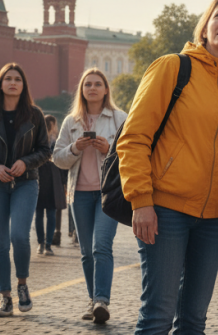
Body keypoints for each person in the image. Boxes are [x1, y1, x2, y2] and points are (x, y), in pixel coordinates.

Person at [118, 0, 218, 334]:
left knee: (194, 320)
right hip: (165, 210)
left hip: (213, 218)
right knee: (157, 316)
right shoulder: (172, 67)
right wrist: (141, 201)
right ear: (205, 29)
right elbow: (134, 138)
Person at [52, 68, 127, 323]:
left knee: (101, 246)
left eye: (98, 84)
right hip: (80, 194)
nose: (92, 88)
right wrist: (75, 148)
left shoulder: (119, 118)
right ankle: (93, 299)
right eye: (87, 85)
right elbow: (58, 158)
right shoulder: (71, 122)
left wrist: (109, 149)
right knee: (86, 251)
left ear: (106, 89)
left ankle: (102, 300)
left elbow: (132, 155)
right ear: (81, 91)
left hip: (109, 195)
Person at [0, 63, 51, 317]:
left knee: (19, 237)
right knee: (0, 244)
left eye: (18, 79)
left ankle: (22, 284)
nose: (13, 83)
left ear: (24, 85)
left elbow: (46, 151)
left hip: (26, 183)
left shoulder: (34, 115)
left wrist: (25, 162)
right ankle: (6, 298)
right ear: (0, 84)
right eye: (8, 79)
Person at [35, 114, 67, 256]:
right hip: (51, 179)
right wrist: (65, 182)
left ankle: (42, 243)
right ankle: (47, 245)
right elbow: (62, 162)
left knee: (40, 213)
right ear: (53, 125)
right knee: (50, 213)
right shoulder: (55, 140)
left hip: (41, 178)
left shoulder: (39, 139)